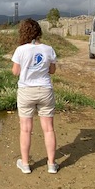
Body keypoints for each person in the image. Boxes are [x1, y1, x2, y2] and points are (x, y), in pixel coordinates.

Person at [11, 18, 59, 174]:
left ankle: (25, 165)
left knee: (25, 129)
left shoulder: (21, 50)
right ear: (39, 32)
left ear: (23, 32)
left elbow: (15, 72)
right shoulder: (49, 49)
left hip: (26, 91)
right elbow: (52, 71)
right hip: (45, 90)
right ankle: (51, 165)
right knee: (48, 129)